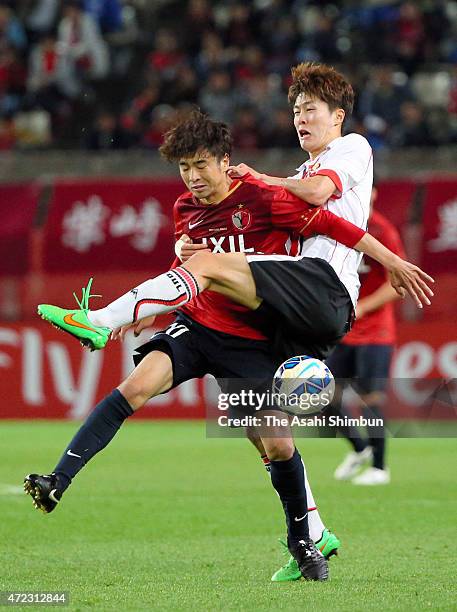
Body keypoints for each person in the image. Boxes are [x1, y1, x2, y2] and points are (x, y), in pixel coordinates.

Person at [26, 109, 372, 582]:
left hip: (254, 341)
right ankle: (56, 480)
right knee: (134, 387)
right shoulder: (184, 208)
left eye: (200, 166)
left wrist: (388, 260)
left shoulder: (265, 196)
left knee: (274, 442)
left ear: (225, 161)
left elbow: (332, 229)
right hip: (199, 325)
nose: (192, 178)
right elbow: (184, 269)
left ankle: (304, 542)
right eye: (184, 169)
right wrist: (148, 311)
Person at [329, 188, 406, 485]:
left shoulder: (382, 231)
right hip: (342, 329)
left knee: (371, 398)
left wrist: (361, 308)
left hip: (376, 332)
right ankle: (359, 448)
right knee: (321, 395)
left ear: (373, 195)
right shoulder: (334, 227)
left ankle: (379, 467)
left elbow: (396, 284)